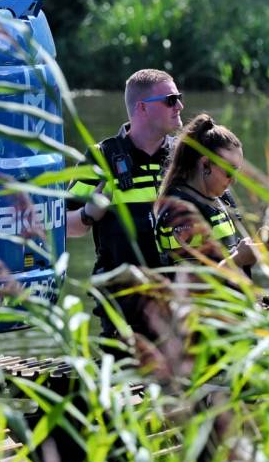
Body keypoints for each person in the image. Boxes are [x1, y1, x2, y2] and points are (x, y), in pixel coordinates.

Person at [67, 68, 184, 341]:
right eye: (171, 99)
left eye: (179, 98)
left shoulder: (183, 156)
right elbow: (62, 226)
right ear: (142, 108)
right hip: (121, 300)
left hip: (176, 297)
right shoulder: (102, 156)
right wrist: (88, 214)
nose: (180, 106)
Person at [154, 114, 256, 271]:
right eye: (229, 171)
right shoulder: (180, 213)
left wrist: (260, 244)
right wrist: (239, 259)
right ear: (205, 164)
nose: (233, 180)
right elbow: (193, 286)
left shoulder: (222, 198)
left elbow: (224, 253)